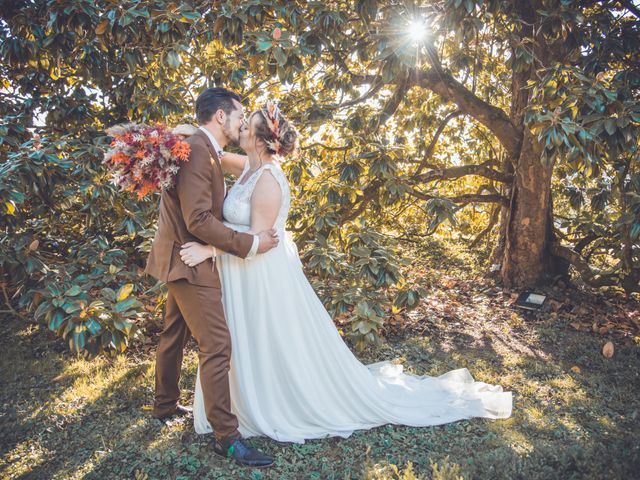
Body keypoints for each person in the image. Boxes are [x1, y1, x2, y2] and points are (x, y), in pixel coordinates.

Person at [179, 102, 513, 445]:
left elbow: (257, 240)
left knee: (265, 337)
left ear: (262, 141)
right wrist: (193, 135)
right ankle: (241, 398)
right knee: (244, 336)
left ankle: (271, 400)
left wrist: (208, 249)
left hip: (258, 274)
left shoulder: (267, 180)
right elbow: (216, 158)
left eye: (248, 128)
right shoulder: (250, 166)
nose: (242, 131)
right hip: (241, 275)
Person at [145, 88, 278, 467]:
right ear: (221, 116)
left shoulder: (200, 145)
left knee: (174, 332)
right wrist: (248, 243)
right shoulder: (198, 149)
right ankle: (227, 438)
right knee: (217, 345)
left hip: (177, 254)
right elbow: (198, 220)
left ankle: (165, 405)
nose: (241, 122)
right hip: (189, 260)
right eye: (239, 115)